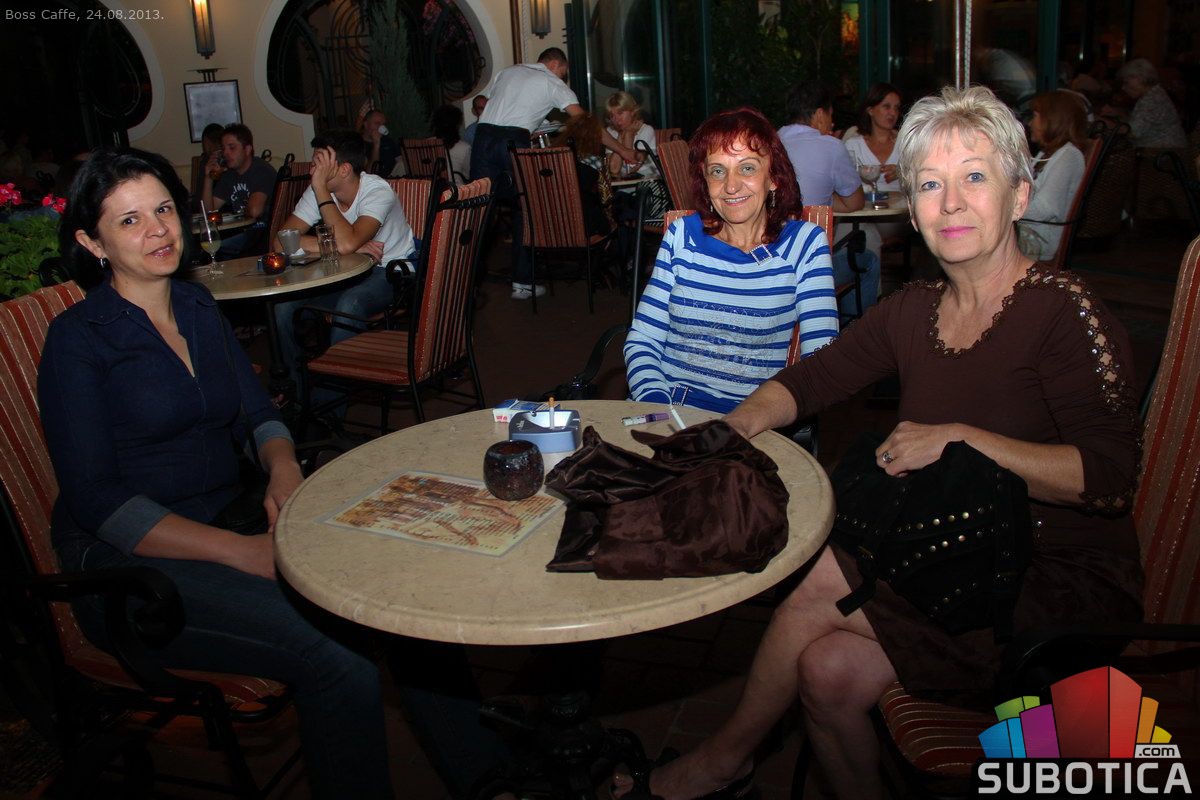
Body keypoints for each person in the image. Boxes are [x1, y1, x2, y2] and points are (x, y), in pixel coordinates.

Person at [612, 85, 1142, 800]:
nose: (950, 203)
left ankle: (722, 761)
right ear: (913, 211)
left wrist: (959, 440)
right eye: (930, 184)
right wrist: (732, 426)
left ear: (1019, 196)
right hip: (956, 552)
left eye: (974, 177)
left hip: (1052, 584)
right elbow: (811, 378)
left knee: (826, 574)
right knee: (826, 672)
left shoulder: (1063, 314)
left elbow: (1109, 477)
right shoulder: (913, 310)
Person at [39, 147, 393, 798]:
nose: (158, 231)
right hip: (128, 572)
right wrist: (239, 552)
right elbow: (97, 499)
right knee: (337, 654)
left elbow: (258, 413)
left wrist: (283, 470)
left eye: (164, 210)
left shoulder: (197, 306)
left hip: (228, 514)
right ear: (91, 243)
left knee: (390, 601)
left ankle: (487, 775)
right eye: (129, 220)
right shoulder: (78, 340)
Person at [623, 107, 839, 414]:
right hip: (666, 406)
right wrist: (656, 403)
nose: (731, 186)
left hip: (749, 416)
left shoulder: (803, 244)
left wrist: (747, 421)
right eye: (717, 171)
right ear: (705, 180)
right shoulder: (682, 236)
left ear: (774, 177)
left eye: (747, 168)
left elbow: (821, 361)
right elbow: (643, 339)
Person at [469, 47, 638, 300]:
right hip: (512, 142)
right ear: (556, 64)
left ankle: (464, 282)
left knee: (478, 210)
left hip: (482, 139)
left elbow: (498, 110)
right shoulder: (552, 81)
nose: (563, 79)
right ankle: (522, 282)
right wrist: (623, 150)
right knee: (526, 207)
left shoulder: (508, 72)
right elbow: (588, 126)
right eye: (564, 73)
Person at [271, 130, 416, 392]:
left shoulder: (377, 191)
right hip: (343, 270)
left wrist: (345, 243)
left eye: (319, 164)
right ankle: (298, 390)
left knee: (350, 304)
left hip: (389, 270)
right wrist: (337, 247)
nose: (313, 171)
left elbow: (347, 243)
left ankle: (331, 397)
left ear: (344, 169)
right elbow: (281, 242)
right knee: (283, 306)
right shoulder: (318, 191)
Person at [779, 82, 882, 317]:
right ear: (819, 114)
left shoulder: (767, 144)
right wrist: (823, 194)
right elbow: (854, 203)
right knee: (868, 260)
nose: (832, 123)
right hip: (812, 270)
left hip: (770, 267)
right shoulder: (831, 146)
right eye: (830, 115)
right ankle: (854, 331)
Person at [1018, 90, 1089, 262]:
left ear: (1053, 121)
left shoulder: (1069, 157)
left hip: (1039, 240)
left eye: (1035, 116)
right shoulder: (1045, 154)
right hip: (1028, 232)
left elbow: (1045, 210)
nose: (1030, 123)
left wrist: (1005, 207)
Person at [843, 83, 908, 268]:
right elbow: (842, 184)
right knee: (854, 230)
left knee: (863, 232)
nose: (892, 113)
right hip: (862, 212)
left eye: (896, 108)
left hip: (895, 217)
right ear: (870, 110)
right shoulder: (853, 144)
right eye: (886, 106)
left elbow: (923, 178)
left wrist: (903, 172)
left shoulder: (906, 142)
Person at [201, 123, 277, 258]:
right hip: (243, 233)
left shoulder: (261, 170)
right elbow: (209, 211)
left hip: (263, 234)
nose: (226, 153)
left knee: (213, 249)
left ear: (247, 149)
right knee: (205, 247)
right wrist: (208, 177)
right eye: (224, 149)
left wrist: (236, 215)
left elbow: (255, 211)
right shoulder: (229, 175)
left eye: (232, 147)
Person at [550, 112, 613, 237]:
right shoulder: (593, 161)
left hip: (555, 224)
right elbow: (605, 197)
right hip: (585, 225)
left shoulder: (555, 161)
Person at [1116, 58, 1187, 148]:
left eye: (1126, 82)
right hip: (1160, 149)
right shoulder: (1153, 93)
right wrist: (1119, 114)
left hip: (1164, 152)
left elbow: (1133, 133)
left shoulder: (1153, 99)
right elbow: (1141, 122)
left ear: (1140, 78)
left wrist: (1105, 123)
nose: (1123, 87)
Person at [605, 91, 658, 179]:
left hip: (647, 182)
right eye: (612, 116)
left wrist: (629, 134)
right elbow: (613, 170)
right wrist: (621, 136)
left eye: (620, 113)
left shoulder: (646, 130)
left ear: (632, 111)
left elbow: (631, 168)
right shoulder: (610, 132)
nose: (617, 120)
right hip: (623, 183)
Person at [432, 104, 472, 183]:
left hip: (430, 188)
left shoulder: (425, 144)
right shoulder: (464, 148)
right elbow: (468, 174)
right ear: (456, 125)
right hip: (455, 188)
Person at [361, 108, 400, 177]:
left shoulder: (388, 141)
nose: (381, 127)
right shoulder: (358, 145)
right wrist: (376, 144)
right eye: (377, 123)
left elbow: (400, 161)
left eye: (383, 124)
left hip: (392, 180)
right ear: (366, 124)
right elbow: (370, 173)